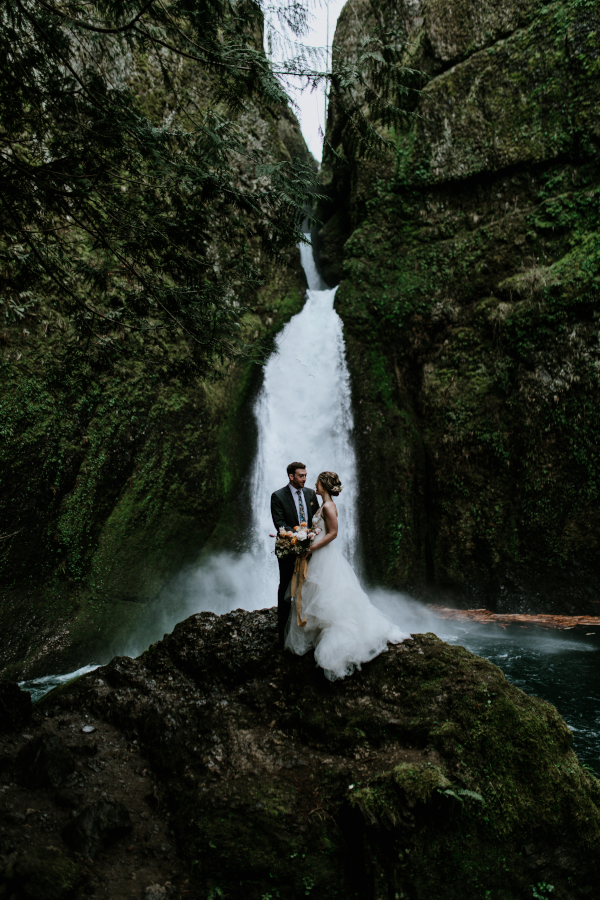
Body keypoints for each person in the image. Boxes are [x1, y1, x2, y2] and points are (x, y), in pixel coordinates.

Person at [284, 470, 409, 680]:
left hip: (324, 557)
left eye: (317, 483)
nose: (314, 486)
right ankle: (315, 636)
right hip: (316, 557)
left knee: (328, 597)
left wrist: (311, 548)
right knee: (315, 595)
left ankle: (335, 640)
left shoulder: (329, 506)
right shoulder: (323, 505)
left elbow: (333, 534)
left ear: (324, 485)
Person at [271, 462, 320, 649]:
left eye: (306, 475)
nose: (305, 479)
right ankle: (282, 636)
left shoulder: (310, 494)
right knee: (285, 589)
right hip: (288, 550)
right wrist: (300, 536)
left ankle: (307, 634)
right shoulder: (278, 496)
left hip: (309, 550)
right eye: (301, 476)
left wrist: (311, 538)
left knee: (309, 588)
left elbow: (316, 518)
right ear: (291, 476)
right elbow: (280, 524)